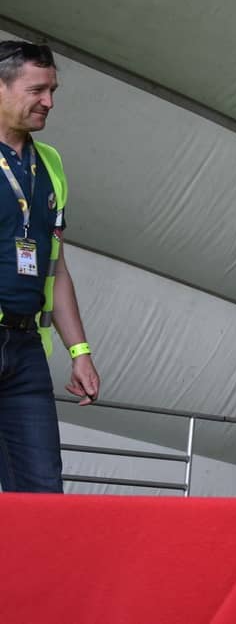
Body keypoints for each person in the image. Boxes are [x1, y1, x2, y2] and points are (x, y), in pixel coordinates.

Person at [0, 40, 101, 493]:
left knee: (43, 493)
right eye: (37, 90)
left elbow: (55, 267)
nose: (49, 102)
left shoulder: (50, 163)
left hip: (25, 349)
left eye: (53, 90)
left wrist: (80, 352)